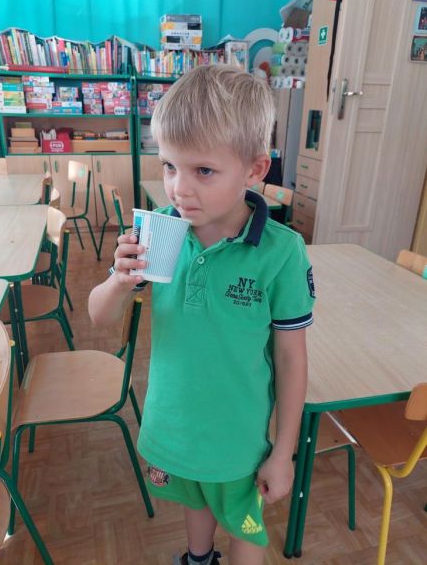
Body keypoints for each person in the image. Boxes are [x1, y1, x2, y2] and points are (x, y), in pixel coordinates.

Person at [88, 64, 315, 565]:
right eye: (169, 166)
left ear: (255, 170)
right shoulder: (158, 232)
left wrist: (283, 451)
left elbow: (291, 358)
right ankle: (198, 557)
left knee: (246, 526)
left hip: (238, 437)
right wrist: (119, 280)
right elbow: (99, 317)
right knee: (195, 501)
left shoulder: (281, 252)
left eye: (203, 171)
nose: (179, 189)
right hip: (173, 426)